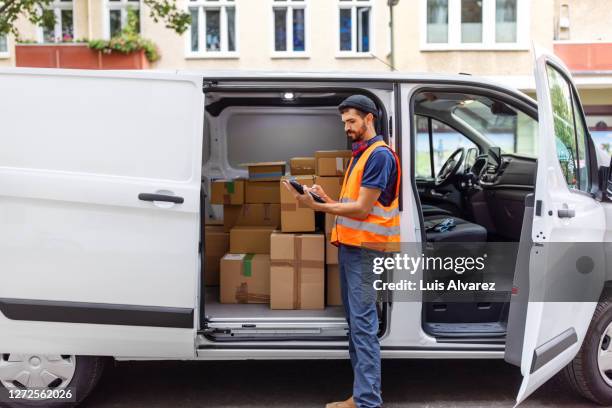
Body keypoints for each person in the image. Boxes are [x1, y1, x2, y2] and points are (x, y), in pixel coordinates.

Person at [282, 95, 401, 408]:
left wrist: (315, 208)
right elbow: (354, 204)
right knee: (356, 327)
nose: (347, 128)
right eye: (344, 123)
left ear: (369, 119)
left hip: (366, 252)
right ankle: (360, 396)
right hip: (352, 249)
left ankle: (367, 402)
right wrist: (324, 197)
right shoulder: (361, 154)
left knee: (363, 329)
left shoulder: (378, 156)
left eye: (351, 121)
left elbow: (362, 210)